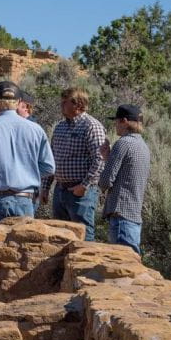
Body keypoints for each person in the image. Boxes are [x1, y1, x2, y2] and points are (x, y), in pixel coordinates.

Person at [0, 81, 55, 222]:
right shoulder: (36, 129)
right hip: (25, 200)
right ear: (19, 101)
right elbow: (49, 167)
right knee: (23, 243)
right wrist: (27, 172)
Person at [42, 87, 107, 241]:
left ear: (78, 105)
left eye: (65, 102)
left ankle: (84, 264)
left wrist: (84, 186)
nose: (61, 105)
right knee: (59, 235)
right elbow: (51, 158)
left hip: (80, 192)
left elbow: (100, 159)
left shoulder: (91, 126)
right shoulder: (60, 127)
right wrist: (45, 187)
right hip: (60, 190)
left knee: (83, 235)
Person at [99, 104, 151, 254]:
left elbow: (105, 181)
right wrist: (108, 158)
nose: (115, 125)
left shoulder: (122, 144)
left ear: (124, 121)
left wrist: (105, 162)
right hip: (133, 215)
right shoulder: (142, 145)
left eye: (116, 121)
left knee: (121, 266)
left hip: (121, 215)